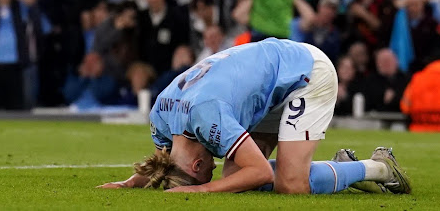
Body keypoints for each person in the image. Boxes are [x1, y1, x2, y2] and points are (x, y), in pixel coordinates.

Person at [98, 38, 411, 194]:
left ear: (196, 165)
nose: (212, 166)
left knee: (290, 183)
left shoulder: (209, 118)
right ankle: (338, 169)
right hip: (269, 80)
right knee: (238, 179)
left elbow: (261, 172)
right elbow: (162, 160)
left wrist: (201, 189)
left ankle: (379, 168)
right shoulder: (162, 115)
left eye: (206, 170)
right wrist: (129, 184)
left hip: (305, 72)